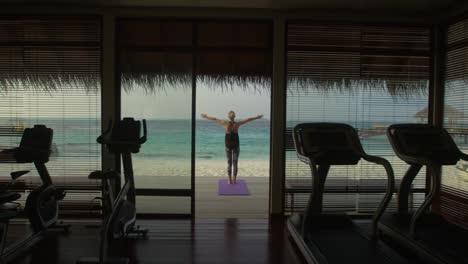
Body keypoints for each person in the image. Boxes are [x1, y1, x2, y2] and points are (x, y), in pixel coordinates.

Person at [201, 111, 263, 184]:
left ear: (228, 117)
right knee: (235, 163)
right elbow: (248, 119)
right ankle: (234, 180)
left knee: (229, 163)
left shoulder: (225, 124)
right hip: (236, 146)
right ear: (234, 116)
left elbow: (215, 119)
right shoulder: (237, 124)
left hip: (228, 146)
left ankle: (230, 180)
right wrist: (257, 117)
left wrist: (206, 117)